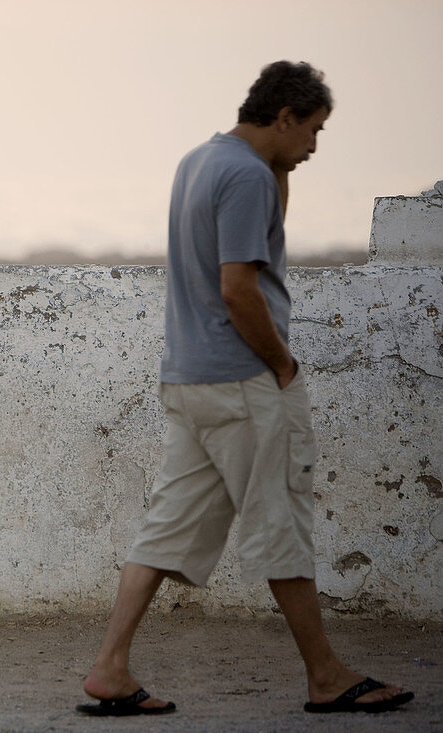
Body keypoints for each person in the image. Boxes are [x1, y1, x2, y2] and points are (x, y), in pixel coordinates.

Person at [78, 62, 414, 716]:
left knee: (165, 528)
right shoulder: (246, 175)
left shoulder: (202, 160)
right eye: (313, 130)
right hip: (241, 382)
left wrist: (281, 167)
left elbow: (264, 239)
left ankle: (110, 668)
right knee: (281, 522)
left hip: (190, 381)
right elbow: (239, 287)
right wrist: (282, 365)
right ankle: (326, 674)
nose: (317, 145)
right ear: (284, 116)